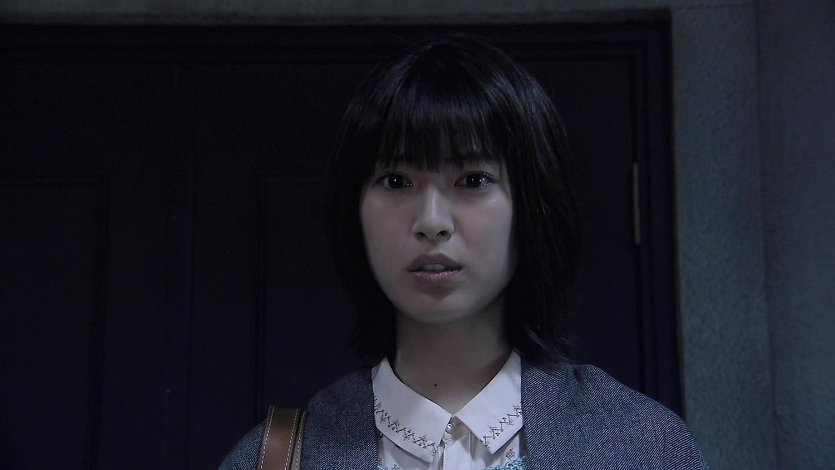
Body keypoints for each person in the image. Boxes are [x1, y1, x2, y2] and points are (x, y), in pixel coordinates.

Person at [221, 35, 709, 469]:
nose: (432, 221)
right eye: (397, 181)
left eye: (473, 180)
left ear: (531, 205)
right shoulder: (278, 457)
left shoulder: (641, 446)